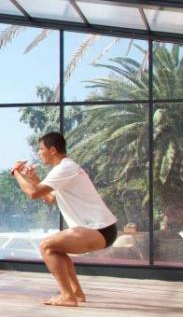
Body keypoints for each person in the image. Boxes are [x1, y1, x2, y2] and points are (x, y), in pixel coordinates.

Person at [11, 131, 118, 307]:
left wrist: (16, 172)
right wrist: (33, 177)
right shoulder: (65, 168)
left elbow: (33, 193)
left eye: (41, 149)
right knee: (56, 249)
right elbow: (49, 198)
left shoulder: (65, 168)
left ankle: (67, 297)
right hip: (101, 230)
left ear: (52, 150)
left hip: (98, 229)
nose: (39, 153)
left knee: (46, 246)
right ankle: (76, 293)